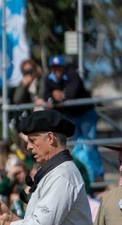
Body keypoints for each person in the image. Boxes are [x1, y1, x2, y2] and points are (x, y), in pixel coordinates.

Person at [43, 55, 102, 183]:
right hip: (71, 116)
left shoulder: (73, 75)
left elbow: (71, 94)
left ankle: (97, 176)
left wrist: (55, 97)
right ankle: (83, 175)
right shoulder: (48, 79)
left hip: (85, 113)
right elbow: (45, 95)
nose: (57, 70)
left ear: (64, 67)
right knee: (76, 146)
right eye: (54, 68)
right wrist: (53, 95)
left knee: (89, 144)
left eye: (59, 67)